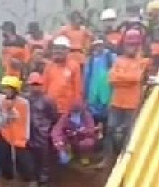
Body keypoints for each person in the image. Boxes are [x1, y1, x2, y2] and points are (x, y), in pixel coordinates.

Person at [104, 29, 149, 167]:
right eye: (129, 44)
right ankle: (108, 160)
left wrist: (121, 78)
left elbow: (137, 77)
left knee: (130, 133)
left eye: (135, 44)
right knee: (110, 129)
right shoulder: (118, 60)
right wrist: (128, 79)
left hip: (132, 104)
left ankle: (126, 161)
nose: (132, 47)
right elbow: (111, 79)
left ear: (139, 45)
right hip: (116, 102)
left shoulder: (144, 62)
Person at [0, 75, 35, 187]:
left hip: (20, 137)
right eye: (5, 88)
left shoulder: (24, 103)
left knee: (24, 161)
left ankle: (31, 186)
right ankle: (8, 185)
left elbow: (26, 120)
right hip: (5, 136)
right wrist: (6, 115)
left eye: (9, 88)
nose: (6, 91)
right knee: (4, 161)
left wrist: (25, 136)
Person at [25, 72, 58, 187]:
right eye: (32, 85)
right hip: (28, 134)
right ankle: (32, 183)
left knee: (43, 161)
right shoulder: (25, 99)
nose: (34, 87)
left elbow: (53, 116)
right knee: (30, 161)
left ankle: (43, 184)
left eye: (37, 85)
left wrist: (48, 130)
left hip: (43, 134)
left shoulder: (48, 100)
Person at [44, 36, 83, 117]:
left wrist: (76, 107)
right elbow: (44, 87)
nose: (58, 51)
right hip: (51, 109)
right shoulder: (49, 66)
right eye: (56, 48)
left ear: (67, 50)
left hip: (67, 110)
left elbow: (78, 88)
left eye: (62, 49)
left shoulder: (74, 66)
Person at [51, 100, 98, 166]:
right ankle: (68, 153)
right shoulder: (65, 117)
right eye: (73, 113)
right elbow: (56, 132)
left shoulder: (87, 116)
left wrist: (82, 131)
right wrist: (61, 149)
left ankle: (84, 156)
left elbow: (91, 130)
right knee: (60, 141)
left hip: (83, 138)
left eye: (77, 114)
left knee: (88, 143)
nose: (75, 116)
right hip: (70, 139)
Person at [84, 38, 116, 132]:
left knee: (108, 124)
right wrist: (85, 96)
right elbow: (86, 78)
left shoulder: (111, 57)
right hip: (93, 96)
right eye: (96, 45)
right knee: (92, 123)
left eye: (100, 45)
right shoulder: (90, 60)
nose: (98, 47)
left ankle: (106, 143)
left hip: (107, 95)